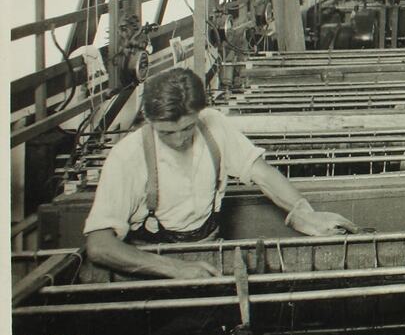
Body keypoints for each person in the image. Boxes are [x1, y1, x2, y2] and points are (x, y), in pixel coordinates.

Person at [83, 68, 357, 281]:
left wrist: (302, 212)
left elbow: (262, 173)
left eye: (187, 128)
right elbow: (99, 245)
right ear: (148, 120)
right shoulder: (127, 158)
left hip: (211, 252)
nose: (179, 140)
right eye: (166, 132)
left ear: (199, 114)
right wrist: (176, 269)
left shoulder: (214, 126)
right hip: (151, 265)